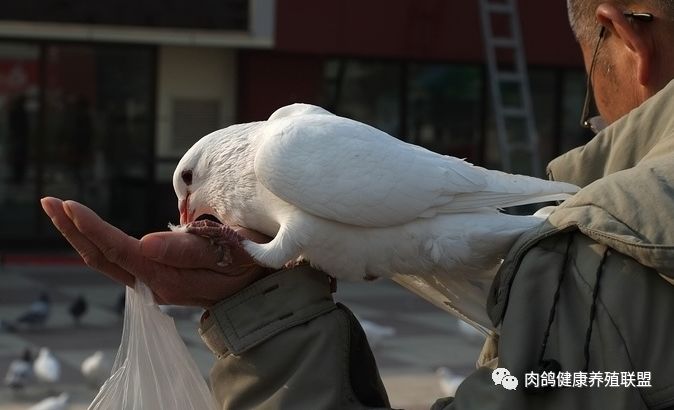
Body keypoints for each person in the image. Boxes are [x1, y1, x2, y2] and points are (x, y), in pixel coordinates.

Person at [41, 0, 674, 408]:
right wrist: (255, 287)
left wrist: (252, 297)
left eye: (188, 184)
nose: (188, 206)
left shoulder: (285, 149)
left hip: (440, 223)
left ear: (625, 37)